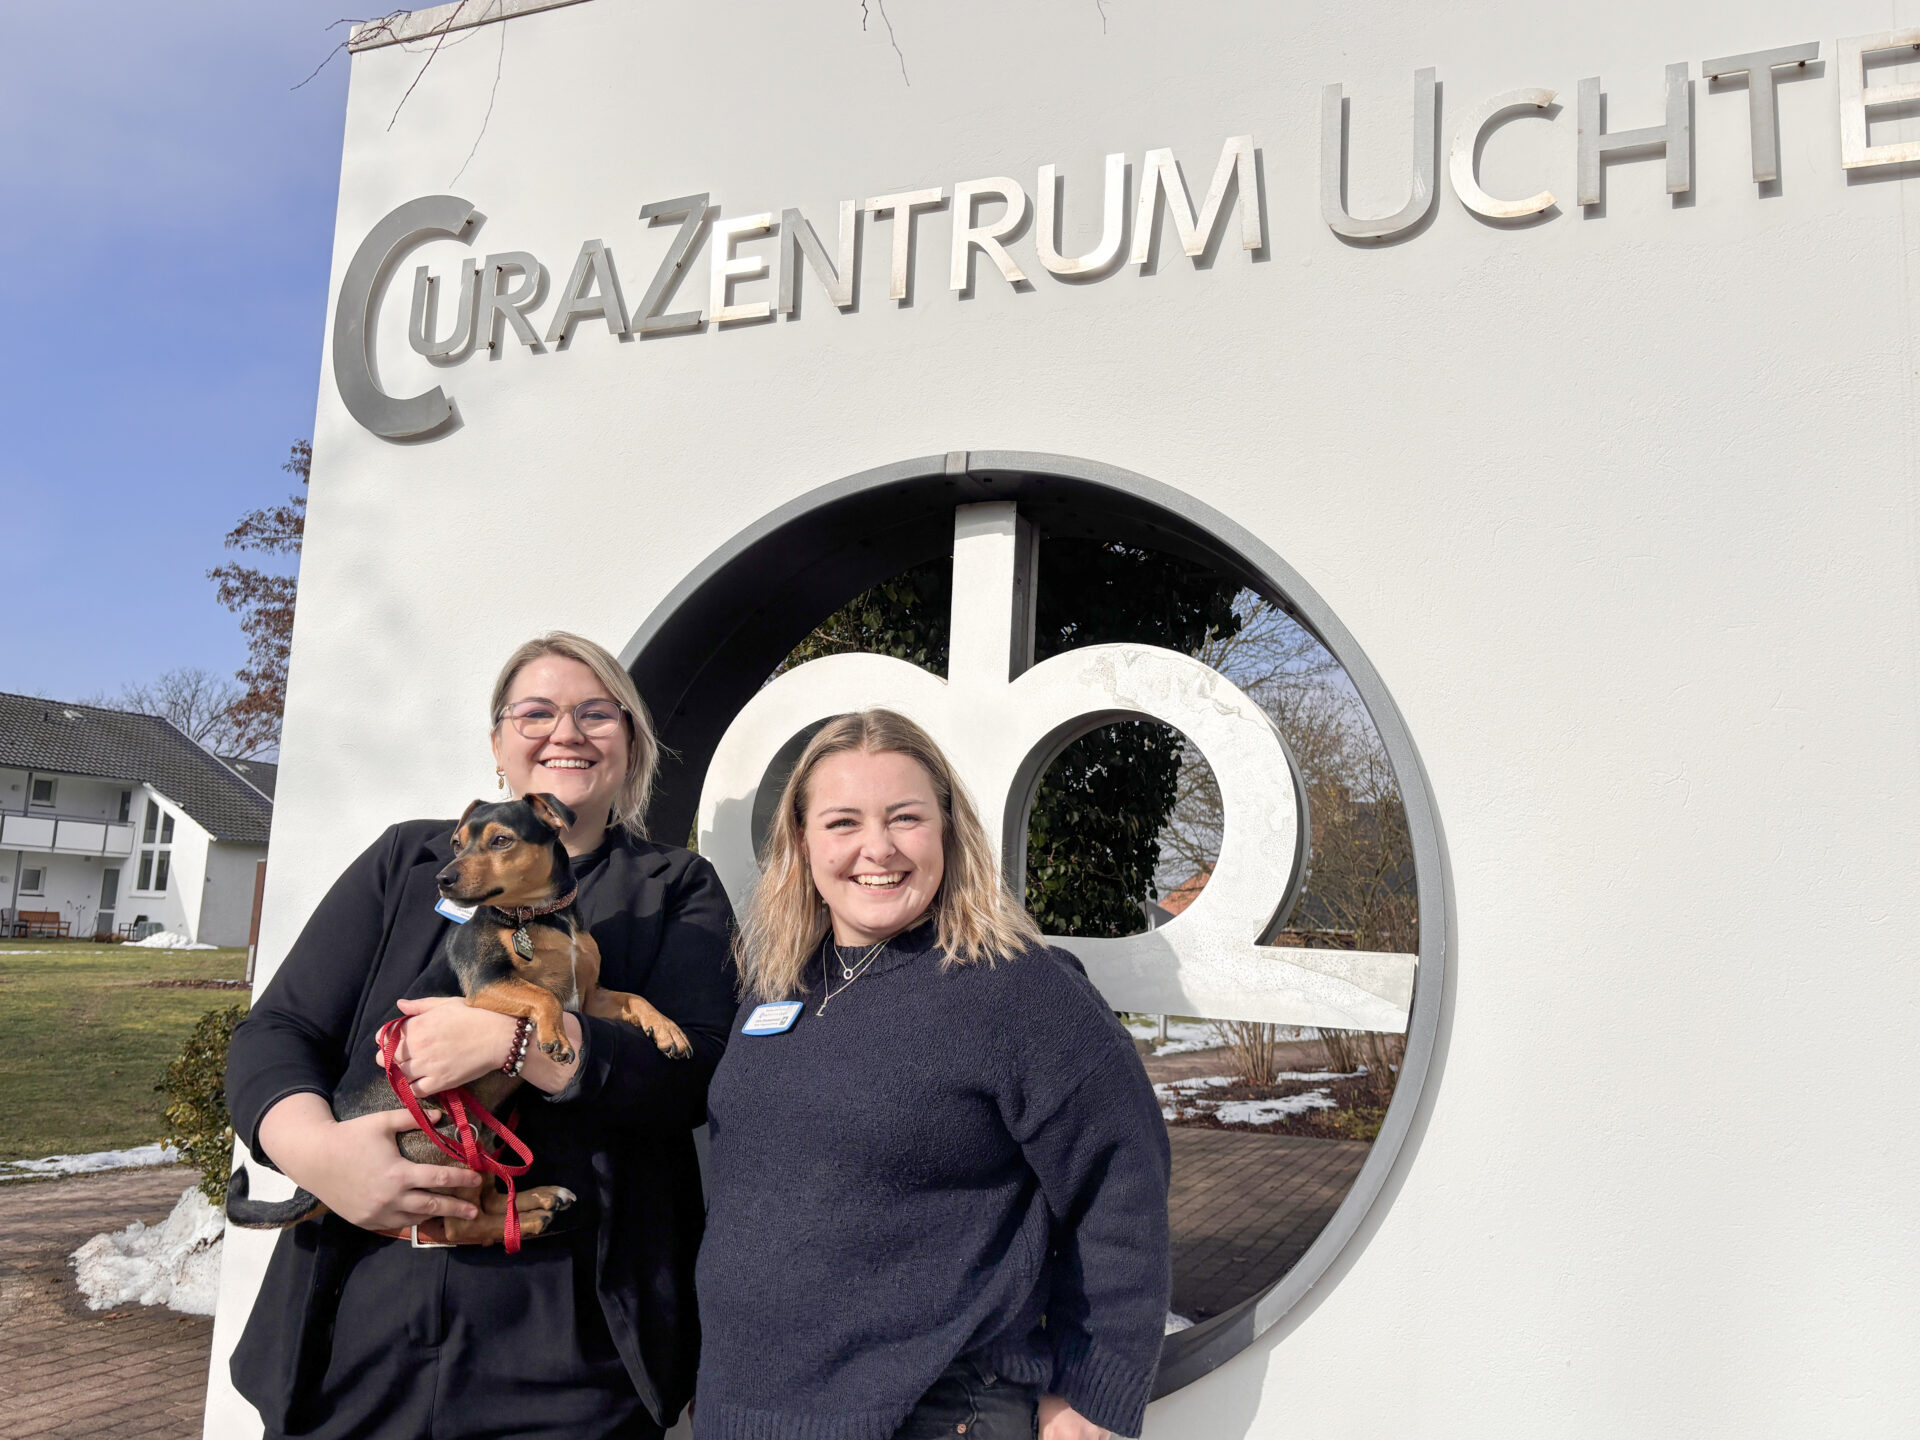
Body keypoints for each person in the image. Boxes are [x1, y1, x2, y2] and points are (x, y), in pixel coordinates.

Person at [224, 632, 737, 1440]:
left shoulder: (674, 886)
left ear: (632, 747)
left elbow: (698, 1073)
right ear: (498, 745)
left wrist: (515, 1046)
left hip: (573, 1334)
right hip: (358, 1320)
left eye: (596, 713)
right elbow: (279, 1031)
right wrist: (321, 1155)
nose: (565, 732)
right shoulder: (409, 861)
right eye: (535, 713)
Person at [694, 709, 1171, 1440]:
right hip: (749, 1407)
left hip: (930, 1409)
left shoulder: (1019, 989)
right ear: (802, 842)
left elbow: (1120, 1182)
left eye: (905, 818)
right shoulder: (777, 988)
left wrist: (1092, 1391)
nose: (877, 848)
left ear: (948, 831)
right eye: (843, 822)